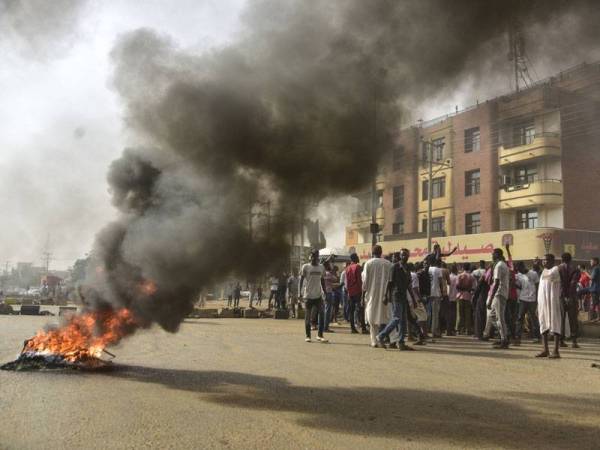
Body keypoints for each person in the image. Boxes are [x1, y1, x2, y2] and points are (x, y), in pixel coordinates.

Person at [376, 249, 419, 351]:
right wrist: (385, 295)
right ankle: (381, 336)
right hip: (396, 295)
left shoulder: (407, 268)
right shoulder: (394, 267)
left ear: (408, 256)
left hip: (403, 296)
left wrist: (413, 299)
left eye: (405, 255)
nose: (404, 257)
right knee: (396, 319)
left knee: (403, 321)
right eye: (402, 255)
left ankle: (401, 342)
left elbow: (409, 285)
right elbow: (389, 282)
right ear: (400, 256)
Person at [362, 245, 393, 348]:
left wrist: (363, 296)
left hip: (371, 295)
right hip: (385, 295)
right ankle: (383, 337)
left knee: (372, 318)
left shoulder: (368, 263)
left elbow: (365, 282)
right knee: (385, 317)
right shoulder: (388, 264)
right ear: (381, 252)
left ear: (372, 252)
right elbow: (391, 281)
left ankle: (374, 341)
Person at [536, 254, 563, 358]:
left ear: (552, 261)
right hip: (542, 303)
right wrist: (538, 306)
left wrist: (539, 267)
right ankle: (545, 350)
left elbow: (550, 275)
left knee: (555, 323)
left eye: (546, 260)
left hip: (552, 302)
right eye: (543, 260)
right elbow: (540, 290)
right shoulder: (543, 272)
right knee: (543, 324)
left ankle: (556, 351)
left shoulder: (555, 269)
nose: (544, 262)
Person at [299, 249, 328, 343]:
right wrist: (299, 292)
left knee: (322, 314)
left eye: (317, 255)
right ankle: (308, 335)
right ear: (311, 256)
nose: (315, 257)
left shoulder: (321, 267)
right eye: (314, 255)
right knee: (308, 316)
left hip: (318, 295)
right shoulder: (306, 267)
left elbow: (322, 280)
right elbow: (301, 279)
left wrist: (325, 291)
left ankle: (320, 335)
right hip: (308, 296)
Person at [486, 248, 510, 349]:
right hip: (501, 293)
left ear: (497, 254)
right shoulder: (503, 264)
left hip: (499, 293)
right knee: (491, 316)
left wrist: (491, 298)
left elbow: (496, 283)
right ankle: (503, 336)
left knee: (500, 318)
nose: (492, 256)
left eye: (493, 254)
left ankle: (504, 340)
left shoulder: (499, 265)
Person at [514, 261, 540, 345]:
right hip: (523, 299)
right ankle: (518, 338)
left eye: (520, 269)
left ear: (523, 266)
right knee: (520, 318)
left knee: (533, 318)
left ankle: (536, 337)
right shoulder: (518, 275)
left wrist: (537, 299)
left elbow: (537, 286)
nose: (519, 271)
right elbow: (520, 286)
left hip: (532, 299)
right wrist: (514, 284)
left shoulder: (534, 274)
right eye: (518, 270)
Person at [559, 253, 580, 348]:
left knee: (561, 319)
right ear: (571, 259)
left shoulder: (558, 268)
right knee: (573, 319)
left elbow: (560, 283)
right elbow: (573, 283)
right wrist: (569, 296)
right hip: (572, 296)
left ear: (562, 259)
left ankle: (561, 340)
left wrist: (564, 295)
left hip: (561, 296)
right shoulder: (575, 269)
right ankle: (574, 341)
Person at [345, 253, 366, 334]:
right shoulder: (357, 267)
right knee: (360, 309)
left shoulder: (347, 268)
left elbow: (347, 281)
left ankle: (352, 328)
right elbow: (359, 280)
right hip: (357, 291)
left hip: (350, 292)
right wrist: (362, 290)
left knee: (351, 310)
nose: (358, 258)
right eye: (357, 257)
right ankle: (363, 328)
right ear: (354, 258)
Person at [456, 263, 476, 335]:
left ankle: (459, 330)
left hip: (460, 296)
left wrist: (462, 289)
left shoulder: (459, 275)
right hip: (468, 296)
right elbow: (473, 288)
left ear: (463, 268)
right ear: (469, 268)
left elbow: (457, 286)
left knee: (460, 314)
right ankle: (468, 330)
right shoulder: (471, 276)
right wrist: (468, 289)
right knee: (468, 314)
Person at [578, 257, 600, 322]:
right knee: (579, 292)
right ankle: (580, 306)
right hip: (592, 288)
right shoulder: (595, 269)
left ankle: (594, 318)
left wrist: (586, 272)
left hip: (595, 289)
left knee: (595, 303)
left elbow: (592, 278)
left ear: (595, 262)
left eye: (591, 261)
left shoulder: (596, 268)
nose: (590, 262)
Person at [428, 260, 444, 338]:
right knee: (435, 314)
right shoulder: (438, 270)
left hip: (428, 293)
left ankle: (428, 329)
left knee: (428, 313)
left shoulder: (428, 268)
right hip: (436, 293)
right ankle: (434, 331)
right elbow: (441, 282)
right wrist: (442, 293)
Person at [323, 261, 338, 332]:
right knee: (328, 310)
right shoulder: (328, 273)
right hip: (328, 293)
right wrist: (332, 271)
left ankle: (324, 326)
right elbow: (335, 279)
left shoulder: (322, 273)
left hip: (323, 293)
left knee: (325, 309)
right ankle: (326, 327)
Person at [446, 264, 459, 336]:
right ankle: (451, 330)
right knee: (453, 315)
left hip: (448, 298)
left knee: (448, 315)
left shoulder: (449, 277)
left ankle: (448, 330)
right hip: (454, 298)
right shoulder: (457, 277)